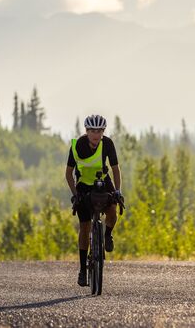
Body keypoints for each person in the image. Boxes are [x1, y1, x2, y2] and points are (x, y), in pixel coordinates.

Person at [65, 114, 123, 287]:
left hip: (102, 182)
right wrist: (75, 194)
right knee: (85, 226)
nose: (96, 134)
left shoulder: (108, 144)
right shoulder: (77, 146)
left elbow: (115, 169)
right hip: (83, 186)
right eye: (92, 130)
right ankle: (83, 270)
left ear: (103, 131)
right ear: (86, 131)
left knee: (113, 208)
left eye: (99, 130)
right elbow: (68, 174)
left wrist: (118, 191)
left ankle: (107, 235)